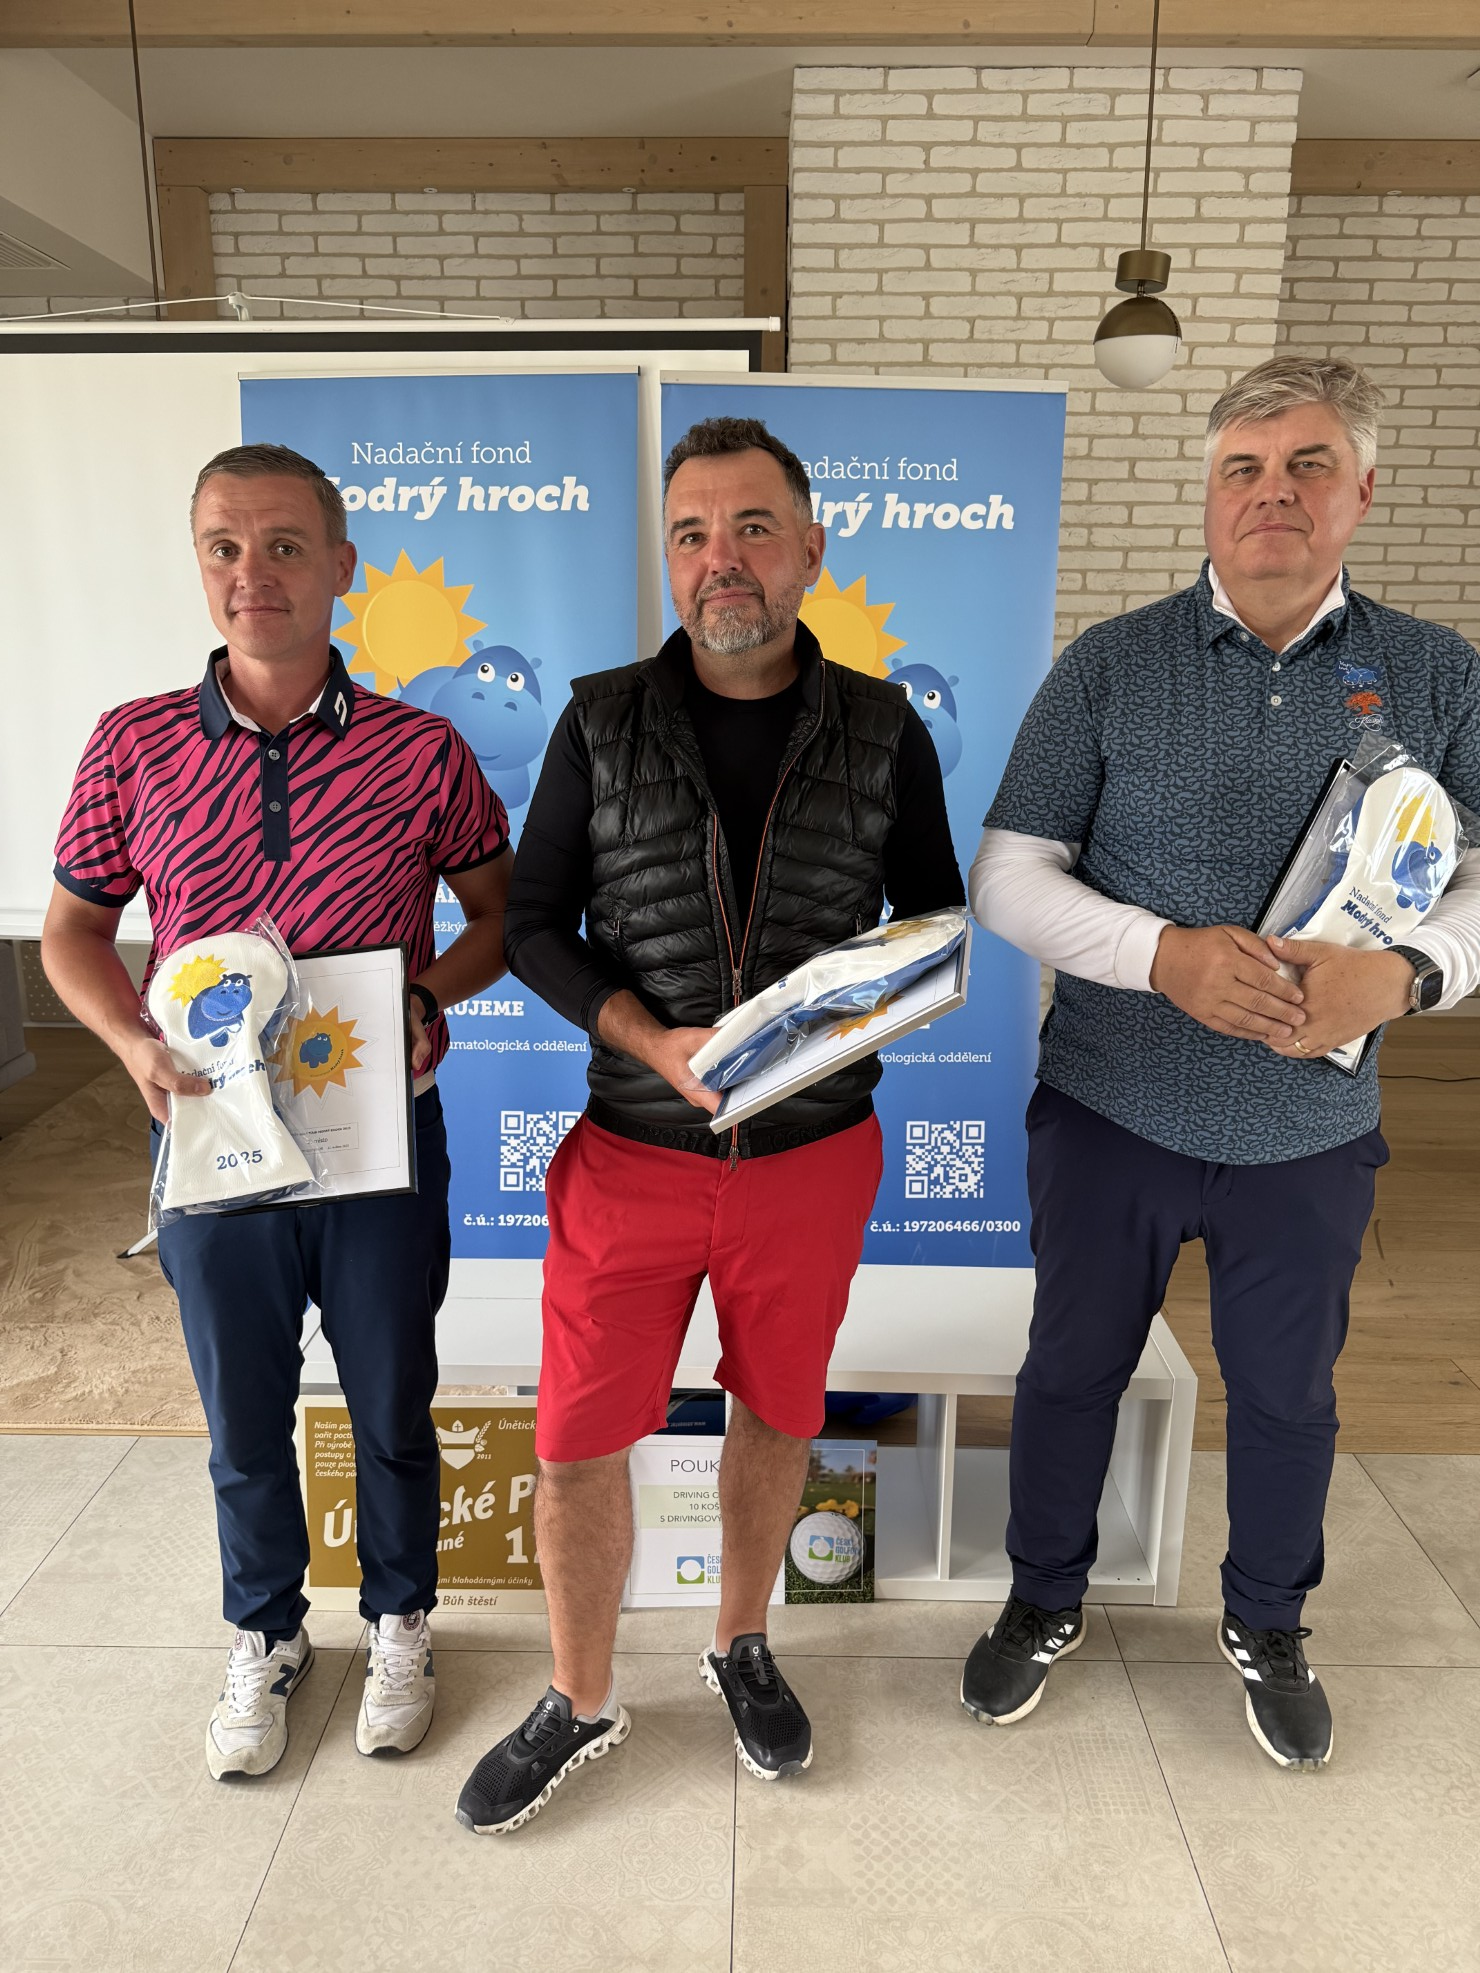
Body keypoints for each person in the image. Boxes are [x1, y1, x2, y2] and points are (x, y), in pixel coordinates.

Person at [963, 354, 1480, 1769]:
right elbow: (1008, 873)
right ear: (1207, 493)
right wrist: (1161, 956)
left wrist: (1410, 972)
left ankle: (1268, 1621)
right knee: (1071, 1370)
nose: (1273, 494)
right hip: (1110, 1107)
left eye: (1309, 465)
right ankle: (1042, 1596)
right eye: (1244, 468)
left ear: (1362, 491)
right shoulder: (1110, 664)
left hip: (1310, 1129)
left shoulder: (1437, 674)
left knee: (1289, 1395)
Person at [454, 416, 964, 1833]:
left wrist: (843, 1022)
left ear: (810, 550)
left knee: (778, 1411)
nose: (719, 559)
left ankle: (742, 1642)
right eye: (691, 534)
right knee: (575, 1441)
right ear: (668, 561)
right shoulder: (598, 720)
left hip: (811, 1159)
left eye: (751, 528)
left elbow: (933, 921)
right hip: (630, 1155)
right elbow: (531, 925)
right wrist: (645, 1038)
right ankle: (578, 1695)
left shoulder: (884, 729)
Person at [42, 443, 512, 1779]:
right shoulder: (132, 744)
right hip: (210, 1138)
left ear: (341, 565)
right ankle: (265, 1633)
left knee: (390, 1399)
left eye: (286, 545)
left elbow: (500, 914)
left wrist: (426, 994)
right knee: (242, 1415)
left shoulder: (422, 750)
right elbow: (73, 933)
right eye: (225, 547)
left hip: (380, 1138)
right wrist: (130, 1042)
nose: (254, 573)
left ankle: (401, 1620)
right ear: (199, 566)